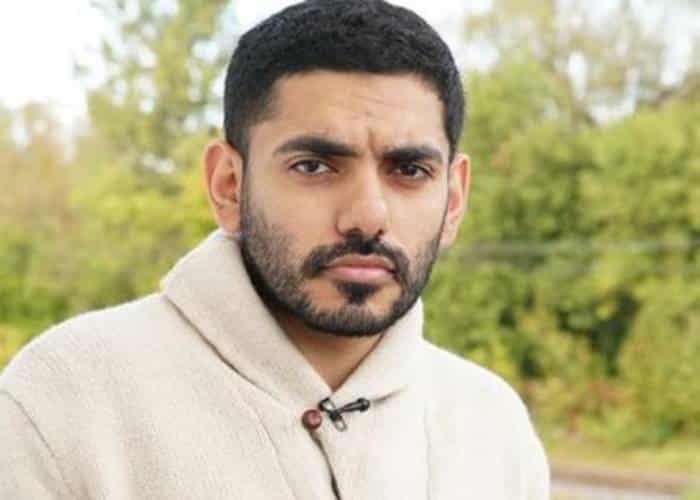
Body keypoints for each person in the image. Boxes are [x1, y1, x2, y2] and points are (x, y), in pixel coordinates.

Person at [0, 0, 550, 498]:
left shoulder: (493, 429)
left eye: (409, 170)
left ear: (453, 199)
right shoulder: (63, 403)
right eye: (314, 166)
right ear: (228, 185)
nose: (368, 215)